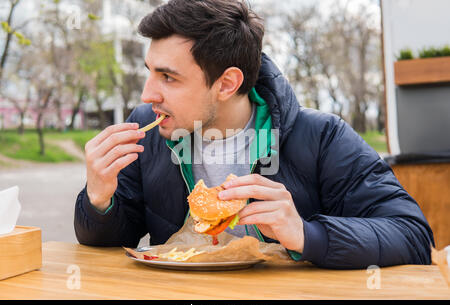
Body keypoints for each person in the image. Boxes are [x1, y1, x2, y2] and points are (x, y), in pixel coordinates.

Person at [74, 0, 434, 269]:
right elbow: (115, 241)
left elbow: (413, 237)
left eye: (168, 77)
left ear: (227, 83)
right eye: (150, 71)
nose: (147, 94)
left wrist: (307, 234)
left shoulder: (322, 137)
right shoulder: (147, 130)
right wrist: (99, 199)